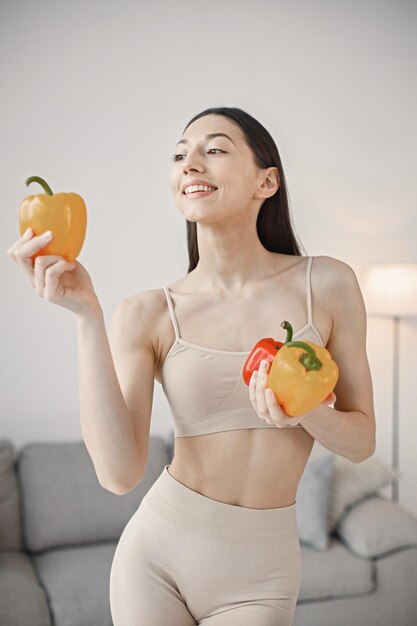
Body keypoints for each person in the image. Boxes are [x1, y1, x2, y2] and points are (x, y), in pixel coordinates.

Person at [7, 106, 376, 626]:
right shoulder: (149, 313)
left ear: (266, 181)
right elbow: (118, 474)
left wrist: (306, 412)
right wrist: (86, 315)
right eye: (180, 154)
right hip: (156, 559)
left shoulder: (329, 286)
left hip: (263, 575)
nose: (190, 163)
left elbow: (361, 442)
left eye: (215, 149)